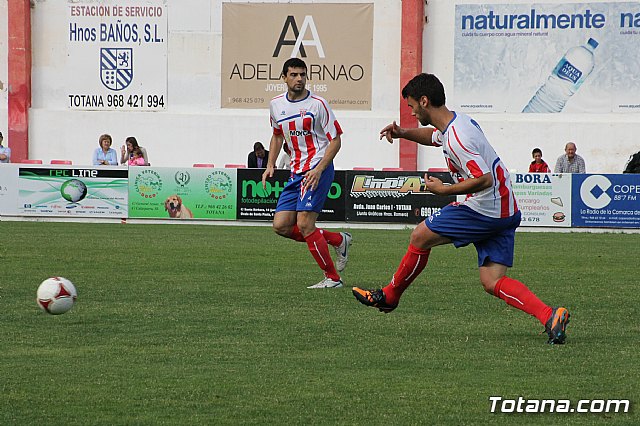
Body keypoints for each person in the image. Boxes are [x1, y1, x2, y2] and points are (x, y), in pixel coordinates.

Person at [352, 73, 570, 345]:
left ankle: (391, 295)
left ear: (424, 101)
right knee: (492, 280)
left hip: (484, 207)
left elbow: (483, 178)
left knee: (419, 237)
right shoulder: (458, 123)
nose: (411, 111)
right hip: (504, 208)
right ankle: (550, 315)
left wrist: (443, 190)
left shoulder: (457, 138)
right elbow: (435, 137)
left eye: (411, 106)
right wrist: (403, 133)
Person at [262, 58, 352, 289]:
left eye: (302, 74)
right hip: (296, 171)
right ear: (284, 77)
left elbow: (336, 140)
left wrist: (319, 168)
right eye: (293, 74)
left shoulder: (318, 104)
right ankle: (338, 239)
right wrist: (270, 163)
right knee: (281, 226)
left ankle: (333, 278)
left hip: (317, 169)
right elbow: (277, 135)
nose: (299, 79)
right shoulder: (276, 105)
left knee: (304, 224)